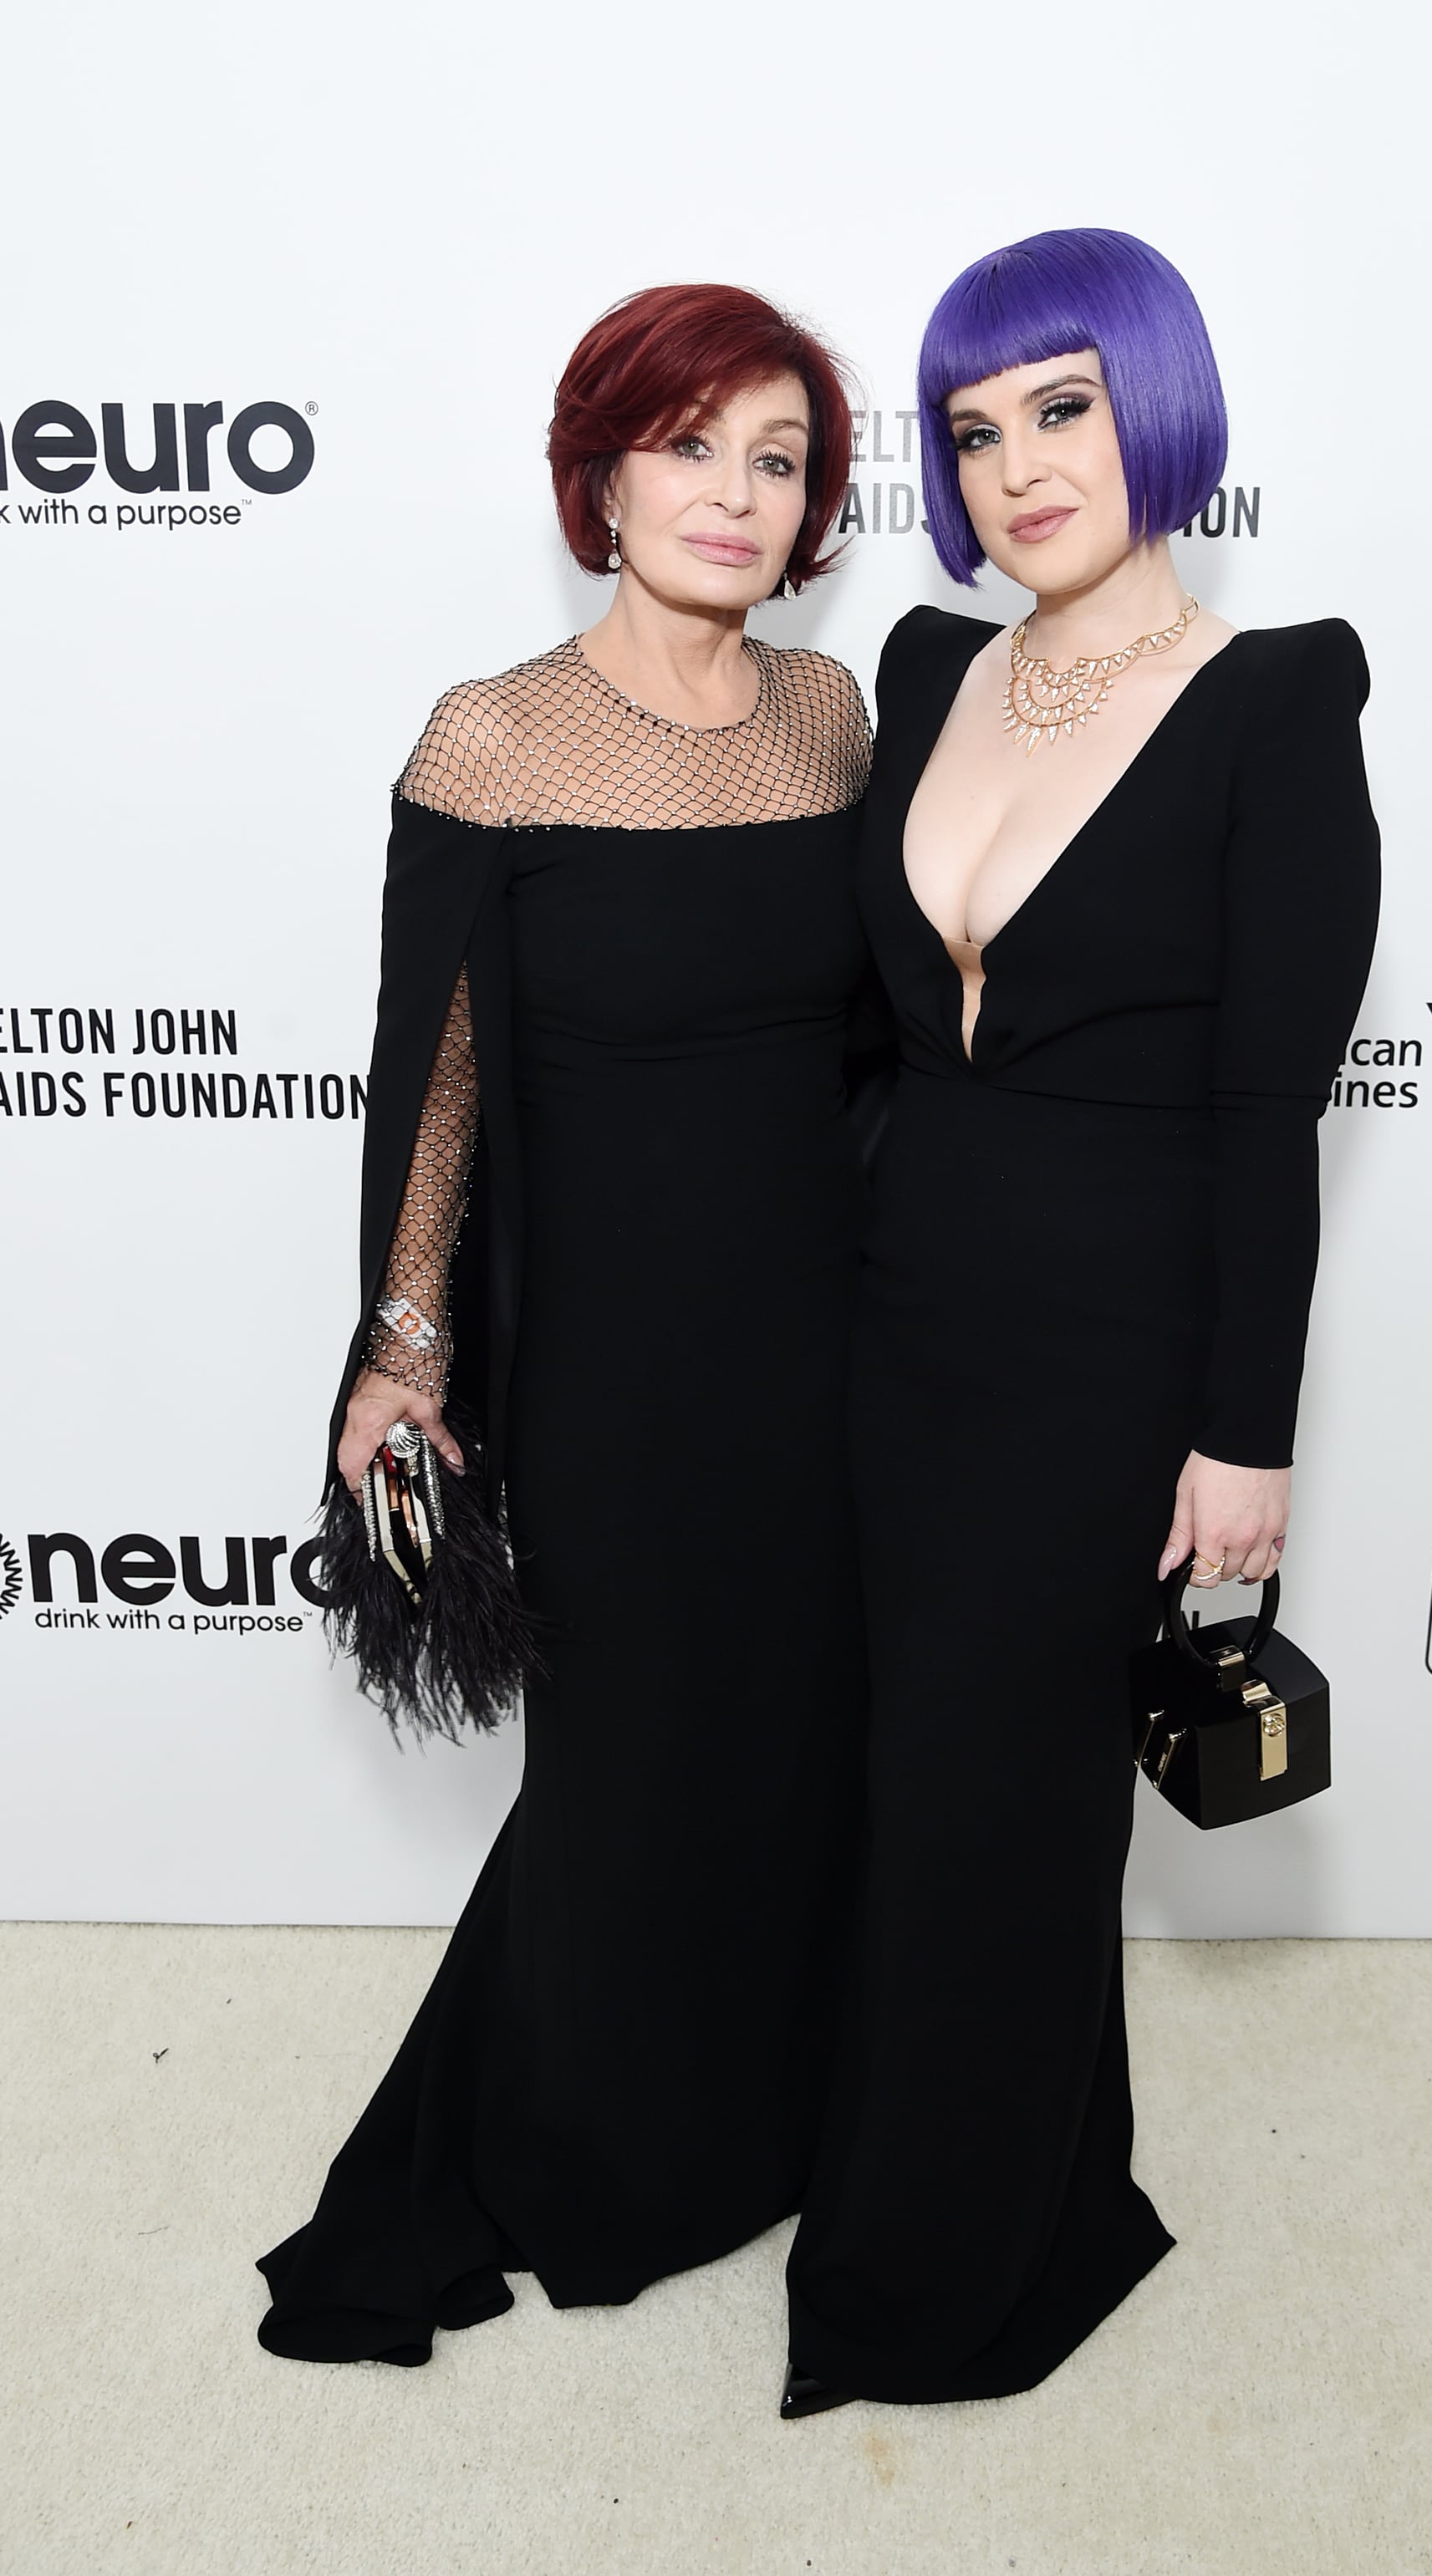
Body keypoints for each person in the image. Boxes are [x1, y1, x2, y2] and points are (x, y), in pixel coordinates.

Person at [782, 227, 1381, 2413]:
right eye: (972, 427)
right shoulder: (931, 670)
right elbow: (857, 1036)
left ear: (1159, 404)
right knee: (885, 1775)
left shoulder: (1277, 698)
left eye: (1064, 404)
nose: (1019, 463)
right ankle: (983, 2164)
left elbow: (1266, 1106)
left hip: (1103, 1349)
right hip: (882, 1312)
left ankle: (957, 2266)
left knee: (1003, 1797)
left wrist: (1245, 1429)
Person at [257, 282, 882, 2365]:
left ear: (812, 509)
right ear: (599, 471)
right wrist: (405, 1346)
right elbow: (430, 1074)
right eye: (689, 444)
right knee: (624, 1760)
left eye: (776, 458)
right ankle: (596, 2143)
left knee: (794, 1743)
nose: (733, 493)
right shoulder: (493, 732)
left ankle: (769, 2111)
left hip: (825, 1344)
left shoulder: (831, 719)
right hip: (609, 1358)